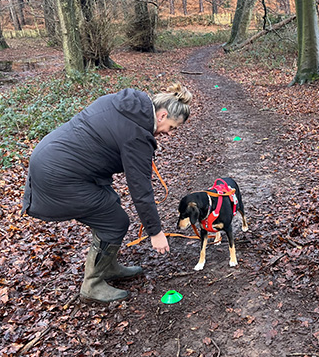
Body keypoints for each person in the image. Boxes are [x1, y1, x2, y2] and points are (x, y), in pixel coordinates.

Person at [21, 83, 193, 303]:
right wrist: (156, 232)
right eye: (172, 127)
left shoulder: (127, 104)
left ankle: (108, 267)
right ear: (162, 115)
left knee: (110, 204)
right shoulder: (137, 135)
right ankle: (92, 287)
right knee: (115, 221)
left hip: (50, 158)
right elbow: (141, 191)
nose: (169, 133)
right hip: (59, 175)